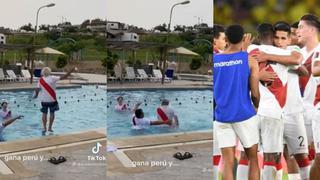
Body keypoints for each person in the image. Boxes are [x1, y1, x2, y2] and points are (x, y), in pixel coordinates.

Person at [214, 24, 260, 180]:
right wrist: (257, 106)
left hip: (221, 116)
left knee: (227, 162)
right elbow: (255, 93)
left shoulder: (215, 60)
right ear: (244, 38)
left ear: (225, 39)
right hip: (244, 114)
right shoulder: (250, 60)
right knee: (252, 159)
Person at [273, 21, 310, 180]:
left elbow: (304, 71)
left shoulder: (293, 50)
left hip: (294, 113)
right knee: (276, 156)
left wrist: (283, 61)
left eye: (283, 38)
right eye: (277, 38)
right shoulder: (267, 50)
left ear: (289, 39)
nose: (280, 42)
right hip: (274, 114)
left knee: (301, 156)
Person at [296, 13, 320, 180]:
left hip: (315, 109)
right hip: (298, 112)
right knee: (298, 157)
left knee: (317, 157)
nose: (297, 31)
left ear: (311, 30)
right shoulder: (296, 53)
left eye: (301, 27)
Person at [34, 66, 77, 134]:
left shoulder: (40, 80)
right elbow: (64, 77)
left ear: (43, 73)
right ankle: (50, 127)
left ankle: (44, 128)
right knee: (52, 113)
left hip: (44, 100)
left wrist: (36, 96)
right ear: (49, 72)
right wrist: (71, 70)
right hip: (52, 100)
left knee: (44, 113)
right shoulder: (52, 78)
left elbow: (37, 89)